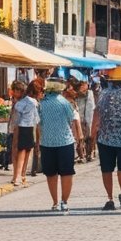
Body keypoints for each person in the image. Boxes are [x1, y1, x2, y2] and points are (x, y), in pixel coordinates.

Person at [92, 65, 121, 210]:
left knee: (107, 169)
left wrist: (93, 134)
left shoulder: (103, 95)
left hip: (105, 139)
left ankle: (110, 198)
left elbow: (97, 115)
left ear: (110, 81)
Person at [38, 78, 82, 212]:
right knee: (67, 173)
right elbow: (70, 119)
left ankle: (55, 202)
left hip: (47, 142)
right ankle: (64, 201)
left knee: (51, 174)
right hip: (65, 141)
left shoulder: (41, 104)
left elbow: (39, 122)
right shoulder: (65, 103)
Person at [8, 80, 39, 186]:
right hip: (24, 127)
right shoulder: (27, 101)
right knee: (20, 151)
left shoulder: (22, 103)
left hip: (20, 127)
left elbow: (17, 118)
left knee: (20, 151)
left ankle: (19, 175)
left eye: (19, 91)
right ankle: (19, 175)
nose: (17, 93)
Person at [74, 78, 96, 162]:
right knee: (79, 135)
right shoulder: (76, 94)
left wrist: (87, 120)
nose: (83, 86)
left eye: (84, 84)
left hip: (88, 117)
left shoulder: (89, 93)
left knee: (89, 135)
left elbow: (91, 108)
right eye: (81, 85)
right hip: (79, 116)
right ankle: (81, 155)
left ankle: (89, 153)